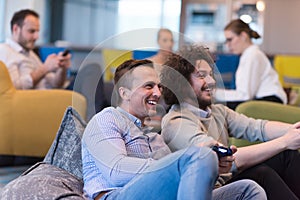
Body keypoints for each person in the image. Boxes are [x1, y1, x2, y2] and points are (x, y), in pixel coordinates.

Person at [81, 59, 266, 200]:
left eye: (159, 86)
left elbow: (176, 177)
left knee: (248, 190)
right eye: (148, 86)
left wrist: (212, 166)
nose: (158, 93)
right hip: (116, 195)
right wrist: (186, 162)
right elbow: (116, 172)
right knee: (200, 154)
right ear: (124, 92)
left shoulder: (154, 136)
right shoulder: (106, 119)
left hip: (157, 194)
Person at [160, 44, 300, 200]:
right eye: (201, 75)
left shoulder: (218, 111)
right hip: (208, 192)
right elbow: (226, 160)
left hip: (226, 182)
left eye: (211, 74)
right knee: (262, 175)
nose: (211, 81)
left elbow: (257, 128)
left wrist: (293, 131)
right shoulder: (176, 123)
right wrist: (285, 141)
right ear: (182, 83)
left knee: (285, 156)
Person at [215, 19, 287, 110]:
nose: (228, 45)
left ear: (243, 36)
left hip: (271, 101)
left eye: (230, 39)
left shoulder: (253, 55)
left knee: (220, 108)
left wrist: (214, 93)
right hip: (264, 100)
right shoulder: (248, 55)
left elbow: (245, 95)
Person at [0, 9, 71, 89]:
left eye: (37, 31)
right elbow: (14, 88)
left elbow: (55, 84)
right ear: (15, 29)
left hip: (48, 96)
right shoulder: (4, 51)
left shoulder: (29, 53)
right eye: (31, 31)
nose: (36, 37)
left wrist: (62, 69)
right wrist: (45, 68)